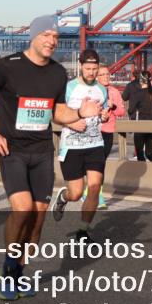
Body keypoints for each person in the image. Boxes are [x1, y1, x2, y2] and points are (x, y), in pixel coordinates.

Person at [0, 15, 100, 301]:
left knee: (38, 218)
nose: (52, 41)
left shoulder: (57, 74)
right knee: (23, 207)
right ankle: (8, 269)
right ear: (34, 36)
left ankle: (18, 273)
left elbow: (58, 112)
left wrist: (80, 113)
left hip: (42, 151)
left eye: (55, 37)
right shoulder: (9, 66)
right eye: (47, 35)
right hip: (12, 149)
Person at [52, 49, 110, 237]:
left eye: (94, 69)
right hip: (72, 146)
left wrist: (104, 116)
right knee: (76, 193)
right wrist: (72, 121)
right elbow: (54, 115)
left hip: (95, 144)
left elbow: (102, 114)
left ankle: (83, 232)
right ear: (80, 66)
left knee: (94, 187)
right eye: (87, 68)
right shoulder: (68, 88)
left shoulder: (102, 90)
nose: (91, 72)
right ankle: (64, 196)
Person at [129, 71, 152, 162]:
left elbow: (131, 109)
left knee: (140, 154)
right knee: (149, 153)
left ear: (141, 81)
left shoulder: (137, 93)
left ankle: (143, 174)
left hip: (140, 126)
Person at [96, 65, 125, 158]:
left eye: (107, 74)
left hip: (107, 131)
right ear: (97, 77)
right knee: (93, 164)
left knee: (101, 163)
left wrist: (113, 107)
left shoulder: (114, 91)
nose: (106, 76)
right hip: (93, 131)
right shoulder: (92, 90)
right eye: (102, 74)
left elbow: (121, 112)